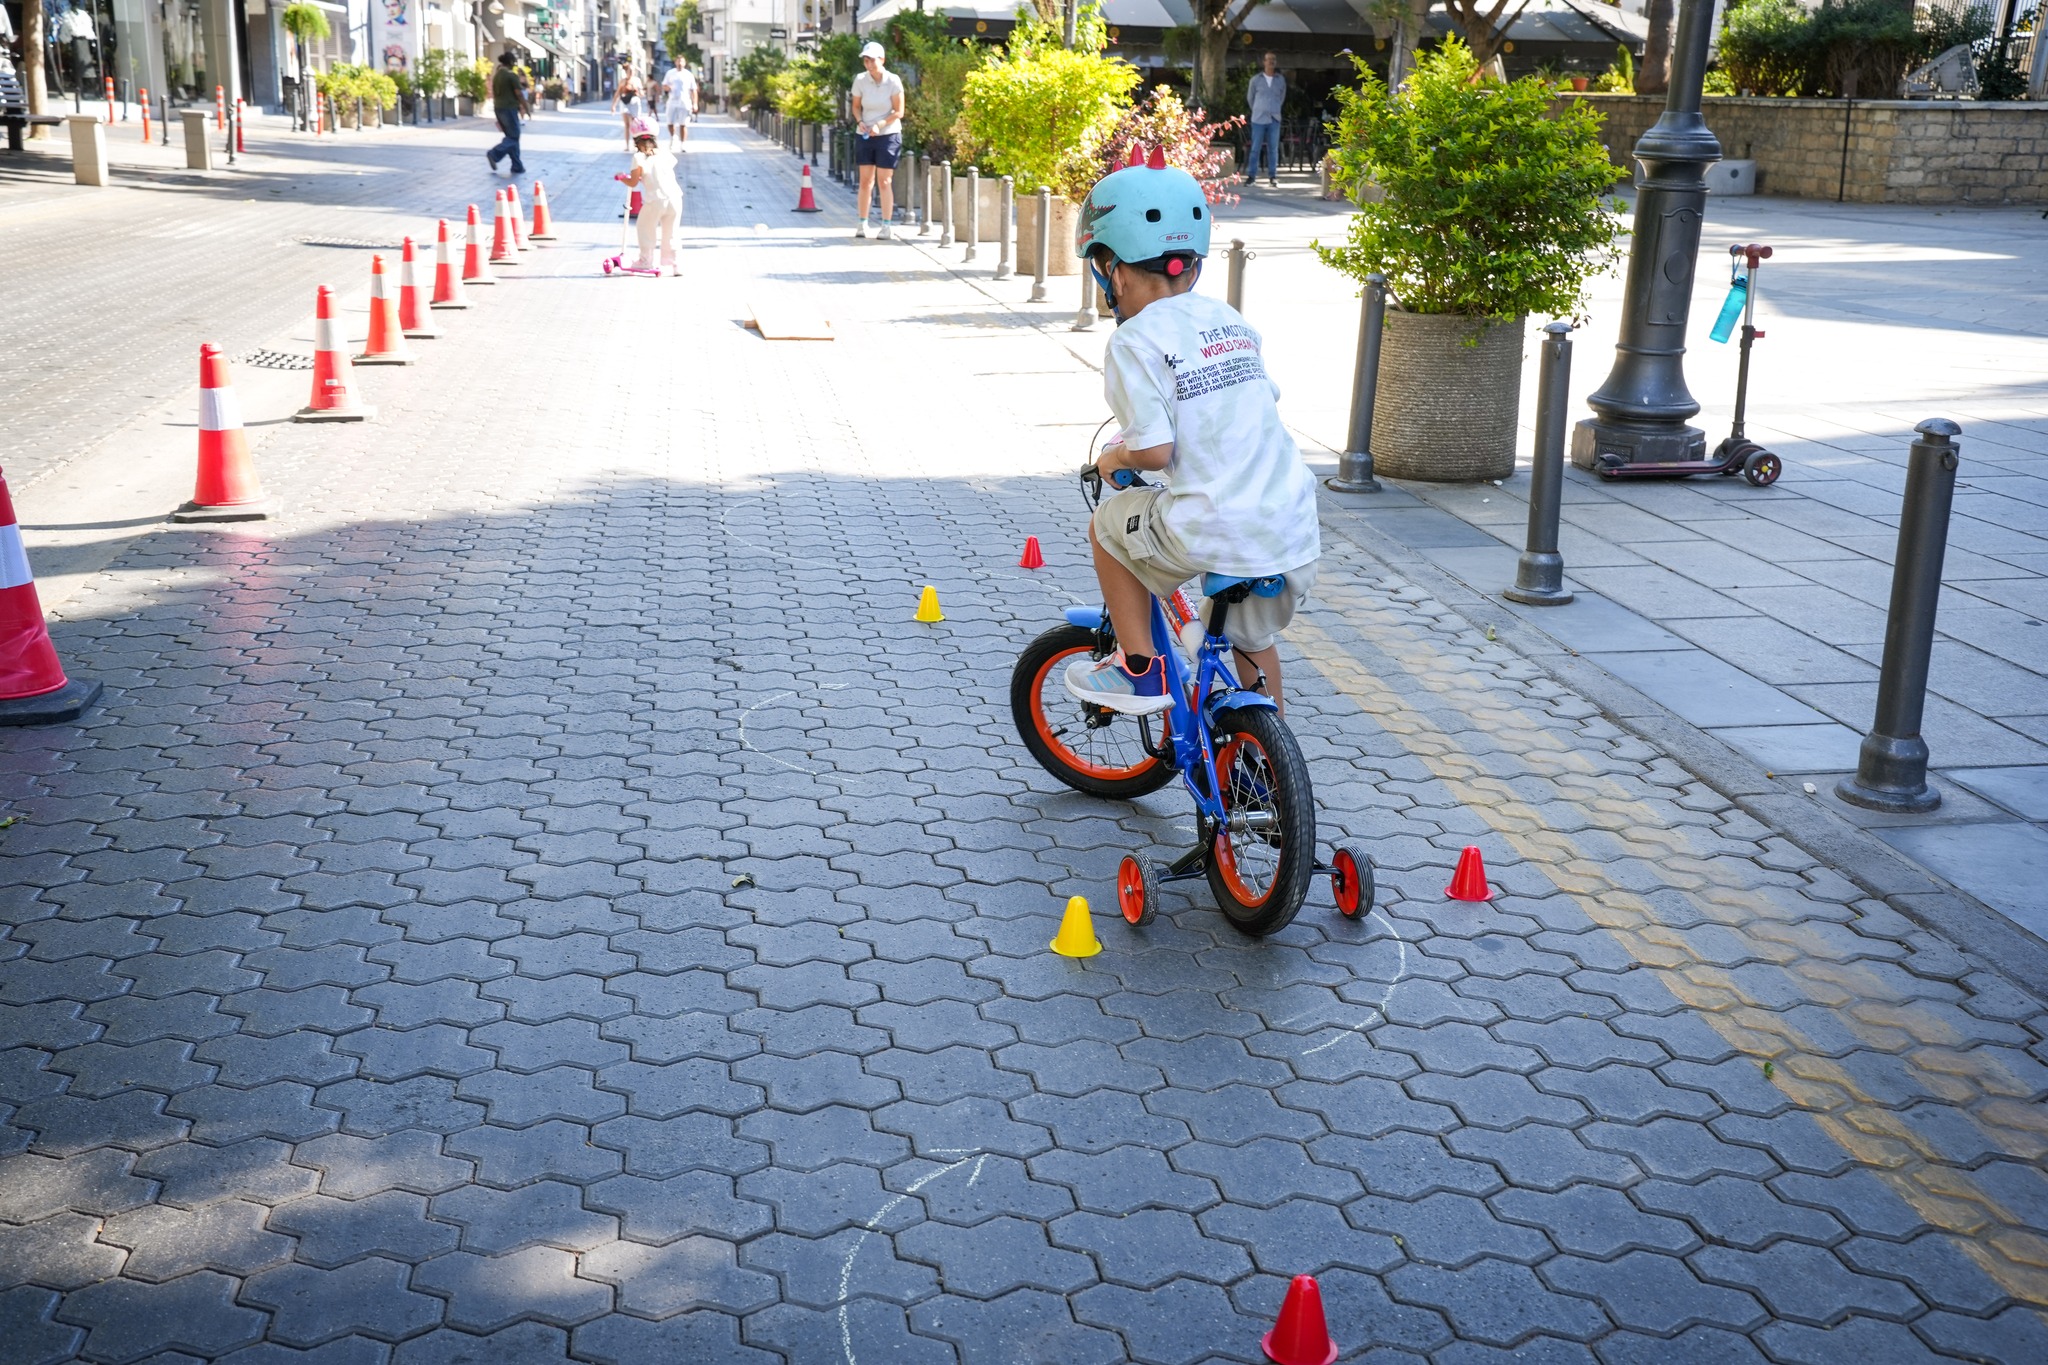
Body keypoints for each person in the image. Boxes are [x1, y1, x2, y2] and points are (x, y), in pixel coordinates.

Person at [1064, 148, 1320, 717]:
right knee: (1253, 640)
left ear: (1115, 271)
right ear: (1193, 265)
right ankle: (1263, 760)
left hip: (1214, 525)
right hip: (1290, 528)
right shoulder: (1229, 319)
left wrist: (1114, 460)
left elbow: (1154, 452)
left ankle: (1138, 670)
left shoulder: (1132, 341)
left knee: (1109, 527)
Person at [849, 41, 904, 239]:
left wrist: (880, 125)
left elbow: (899, 111)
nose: (869, 64)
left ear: (882, 60)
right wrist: (860, 121)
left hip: (888, 134)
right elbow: (856, 106)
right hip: (865, 134)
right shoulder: (860, 80)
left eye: (872, 60)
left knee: (885, 181)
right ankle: (862, 223)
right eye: (866, 60)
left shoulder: (893, 80)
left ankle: (886, 225)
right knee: (865, 180)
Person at [616, 116, 681, 275]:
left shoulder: (638, 157)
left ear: (635, 139)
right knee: (671, 232)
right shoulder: (664, 152)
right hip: (675, 198)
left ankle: (645, 260)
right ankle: (674, 264)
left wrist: (622, 178)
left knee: (645, 228)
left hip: (655, 200)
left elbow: (633, 182)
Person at [485, 51, 530, 176]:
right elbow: (519, 93)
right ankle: (494, 154)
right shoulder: (511, 75)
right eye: (514, 63)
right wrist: (526, 108)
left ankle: (517, 165)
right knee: (514, 137)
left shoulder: (497, 75)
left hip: (498, 108)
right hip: (509, 108)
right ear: (511, 62)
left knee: (511, 137)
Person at [1246, 52, 1285, 189]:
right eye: (1268, 60)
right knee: (1255, 148)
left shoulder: (1280, 80)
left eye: (1273, 59)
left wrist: (1273, 109)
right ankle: (1251, 177)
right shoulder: (1256, 80)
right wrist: (1259, 109)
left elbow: (1281, 97)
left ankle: (1273, 176)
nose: (1271, 62)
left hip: (1274, 118)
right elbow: (1250, 99)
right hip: (1258, 119)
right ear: (1264, 62)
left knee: (1273, 149)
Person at [661, 57, 698, 150]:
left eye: (682, 61)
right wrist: (667, 88)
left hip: (684, 101)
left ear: (685, 63)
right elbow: (664, 85)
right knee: (670, 122)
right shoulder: (670, 73)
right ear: (675, 62)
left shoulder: (688, 75)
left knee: (683, 123)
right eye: (678, 61)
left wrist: (695, 103)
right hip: (672, 100)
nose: (680, 63)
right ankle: (673, 137)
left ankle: (683, 144)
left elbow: (694, 90)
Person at [612, 63, 642, 148]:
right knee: (627, 124)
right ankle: (627, 145)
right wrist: (613, 105)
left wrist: (638, 91)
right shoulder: (623, 81)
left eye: (633, 71)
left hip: (634, 102)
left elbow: (641, 93)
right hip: (625, 103)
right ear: (626, 71)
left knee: (635, 123)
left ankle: (635, 143)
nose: (631, 72)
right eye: (630, 70)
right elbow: (617, 93)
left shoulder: (637, 80)